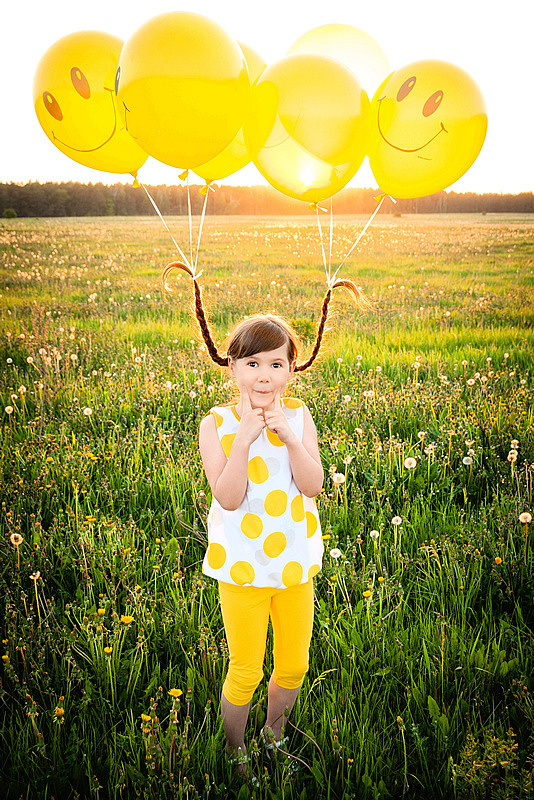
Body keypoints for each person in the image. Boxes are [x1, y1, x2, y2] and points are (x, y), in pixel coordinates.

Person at [162, 261, 367, 778]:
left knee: (294, 663)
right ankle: (235, 751)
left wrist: (291, 438)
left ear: (291, 370)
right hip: (242, 568)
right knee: (246, 668)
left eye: (276, 364)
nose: (264, 375)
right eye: (251, 364)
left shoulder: (300, 417)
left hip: (295, 563)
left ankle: (273, 734)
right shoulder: (216, 425)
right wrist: (246, 440)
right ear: (231, 368)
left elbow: (314, 485)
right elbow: (228, 498)